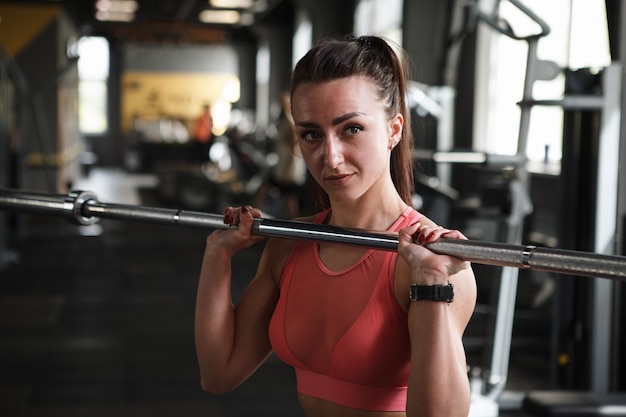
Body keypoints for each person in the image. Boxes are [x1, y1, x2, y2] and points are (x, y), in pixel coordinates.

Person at [194, 35, 477, 417]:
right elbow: (219, 373)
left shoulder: (432, 264)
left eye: (351, 129)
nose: (330, 156)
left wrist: (430, 284)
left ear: (394, 130)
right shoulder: (289, 244)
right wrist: (218, 253)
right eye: (311, 134)